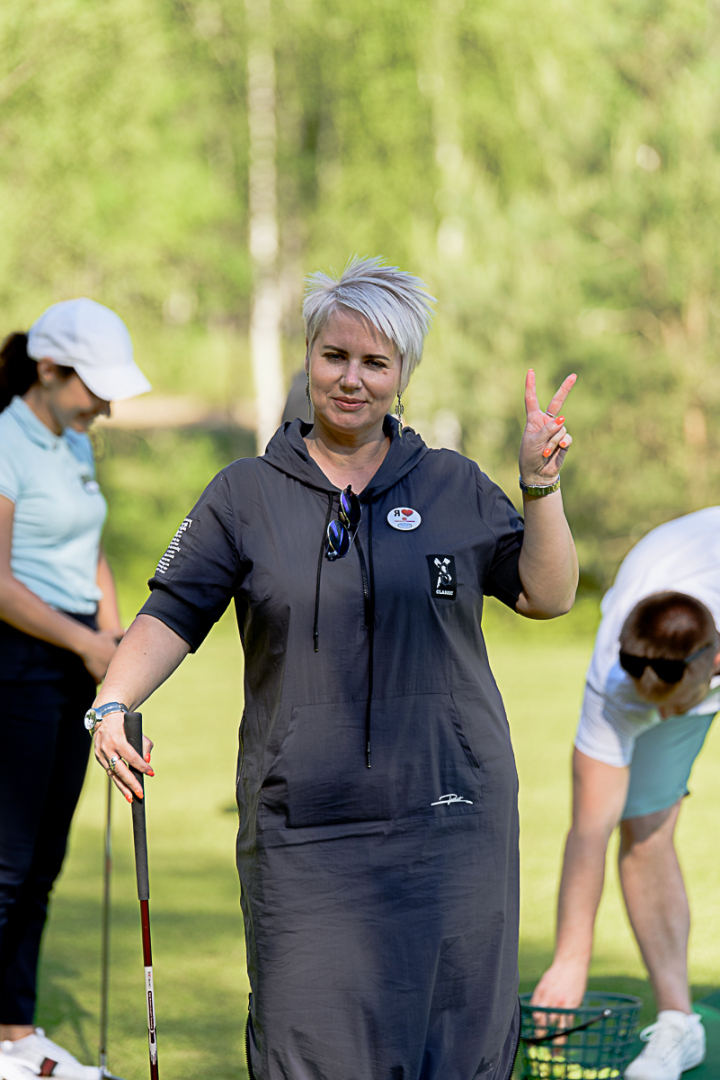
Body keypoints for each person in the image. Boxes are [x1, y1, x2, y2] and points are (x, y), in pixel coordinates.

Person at [91, 256, 578, 1080]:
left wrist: (540, 486)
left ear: (402, 377)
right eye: (334, 357)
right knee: (307, 1046)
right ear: (309, 358)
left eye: (375, 363)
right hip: (304, 831)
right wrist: (110, 703)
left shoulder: (453, 484)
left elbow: (547, 594)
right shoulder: (243, 494)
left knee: (454, 1049)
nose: (351, 380)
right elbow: (171, 613)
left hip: (452, 824)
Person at [0, 299, 151, 1080]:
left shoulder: (71, 439)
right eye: (95, 387)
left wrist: (117, 646)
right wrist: (89, 642)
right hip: (15, 660)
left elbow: (90, 555)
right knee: (7, 862)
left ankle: (15, 1035)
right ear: (50, 371)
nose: (108, 405)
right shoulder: (4, 439)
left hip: (69, 655)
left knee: (45, 860)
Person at [531, 508, 720, 1080]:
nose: (659, 715)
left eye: (672, 702)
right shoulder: (619, 681)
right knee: (643, 823)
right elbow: (590, 828)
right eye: (649, 700)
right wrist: (571, 959)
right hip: (673, 667)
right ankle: (677, 1024)